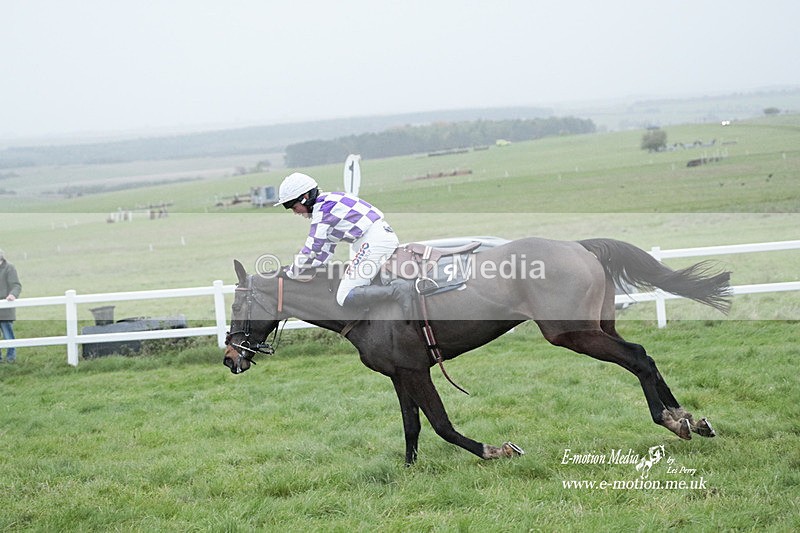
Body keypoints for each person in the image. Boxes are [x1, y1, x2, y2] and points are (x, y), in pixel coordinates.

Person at [274, 172, 411, 315]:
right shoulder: (328, 202)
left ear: (305, 198)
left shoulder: (323, 208)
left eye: (294, 207)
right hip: (377, 238)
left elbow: (313, 246)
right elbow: (324, 252)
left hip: (374, 241)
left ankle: (397, 290)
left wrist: (291, 272)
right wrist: (309, 268)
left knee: (343, 296)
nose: (295, 213)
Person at [0, 249, 22, 363]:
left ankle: (10, 359)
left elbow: (16, 285)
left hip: (5, 309)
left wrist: (12, 295)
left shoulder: (9, 268)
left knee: (8, 334)